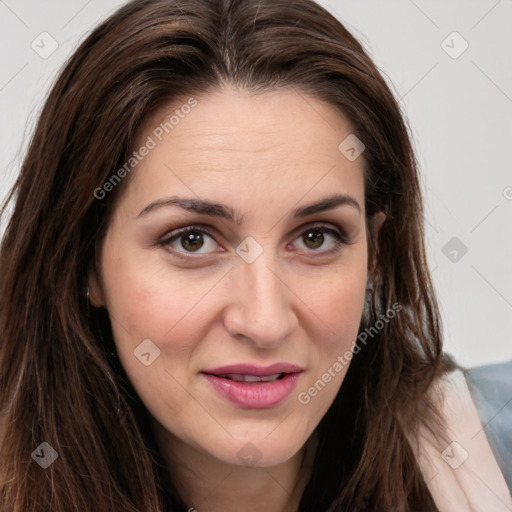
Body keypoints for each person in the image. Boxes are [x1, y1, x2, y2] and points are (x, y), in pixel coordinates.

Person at [0, 0, 510, 511]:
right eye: (192, 240)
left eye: (316, 237)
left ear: (374, 252)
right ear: (84, 261)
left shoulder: (494, 445)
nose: (265, 322)